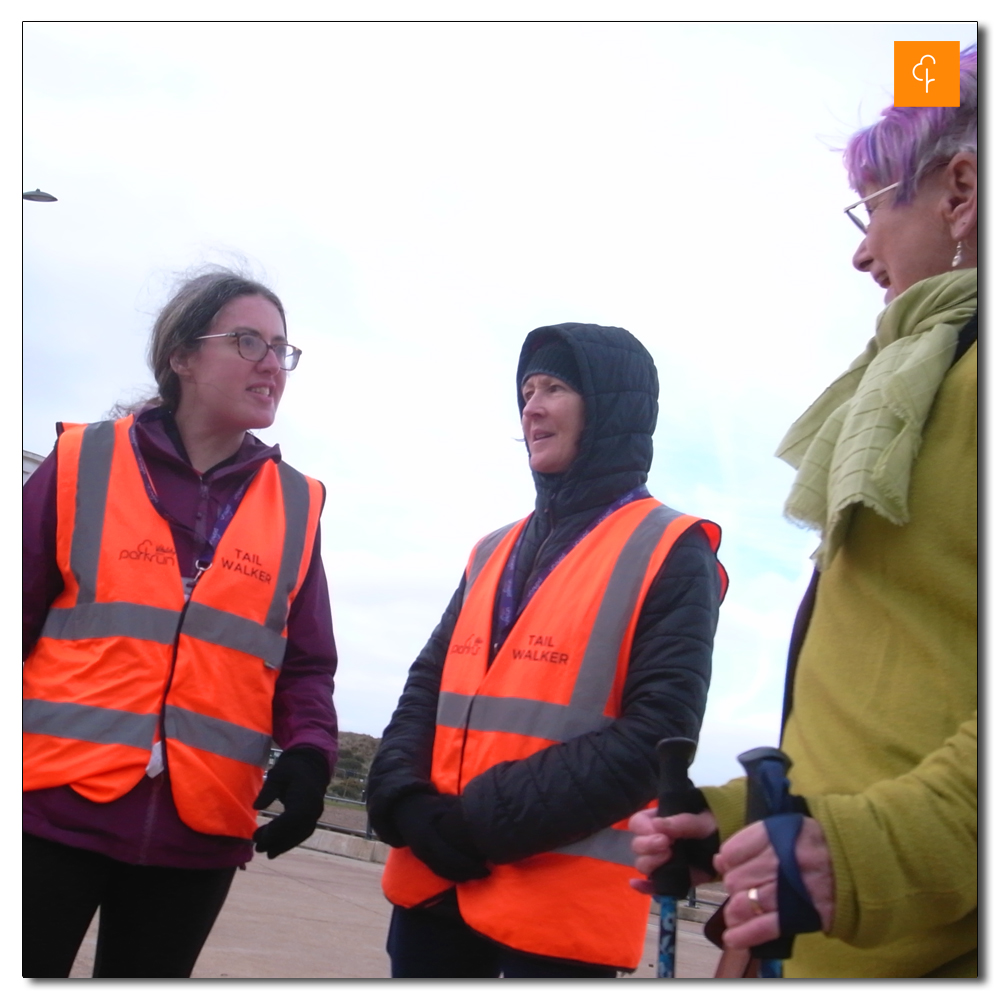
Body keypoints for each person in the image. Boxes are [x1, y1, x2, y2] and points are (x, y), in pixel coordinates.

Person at [629, 45, 977, 978]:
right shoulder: (921, 383)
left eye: (874, 208)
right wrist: (739, 822)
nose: (860, 249)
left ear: (961, 189)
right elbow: (898, 696)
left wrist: (859, 857)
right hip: (823, 943)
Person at [365, 322, 728, 977]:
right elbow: (426, 687)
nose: (530, 406)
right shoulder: (491, 549)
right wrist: (403, 801)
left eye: (554, 387)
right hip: (432, 887)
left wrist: (476, 825)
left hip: (554, 926)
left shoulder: (673, 549)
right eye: (526, 390)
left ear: (610, 405)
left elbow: (658, 733)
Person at [23, 269, 339, 978]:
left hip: (199, 833)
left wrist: (311, 754)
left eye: (281, 349)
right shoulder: (81, 463)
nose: (270, 363)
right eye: (248, 340)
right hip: (49, 811)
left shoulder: (298, 506)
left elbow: (306, 664)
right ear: (182, 357)